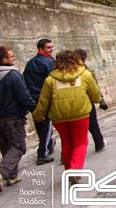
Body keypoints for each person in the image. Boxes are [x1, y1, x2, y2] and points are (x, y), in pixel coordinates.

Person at [32, 50, 102, 185]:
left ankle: (69, 170)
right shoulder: (85, 75)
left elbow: (43, 101)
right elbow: (95, 95)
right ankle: (75, 170)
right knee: (81, 143)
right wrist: (99, 100)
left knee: (67, 143)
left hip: (59, 117)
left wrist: (38, 116)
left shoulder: (50, 80)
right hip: (80, 114)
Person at [0, 46, 37, 192]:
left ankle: (11, 176)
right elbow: (23, 96)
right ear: (4, 60)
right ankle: (1, 171)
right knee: (18, 146)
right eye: (11, 56)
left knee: (6, 146)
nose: (13, 58)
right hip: (13, 118)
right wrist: (35, 109)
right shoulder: (13, 75)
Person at [23, 39, 56, 165]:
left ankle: (48, 146)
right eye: (49, 47)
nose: (51, 49)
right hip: (44, 97)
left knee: (40, 124)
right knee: (47, 125)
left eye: (52, 47)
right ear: (41, 49)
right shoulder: (49, 62)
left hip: (33, 97)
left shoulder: (30, 63)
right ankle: (42, 153)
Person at [74, 49, 108, 153]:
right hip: (86, 101)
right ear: (84, 58)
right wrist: (101, 101)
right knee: (93, 124)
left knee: (73, 129)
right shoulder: (86, 71)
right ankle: (99, 143)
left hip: (69, 103)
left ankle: (71, 151)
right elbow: (94, 88)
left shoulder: (64, 71)